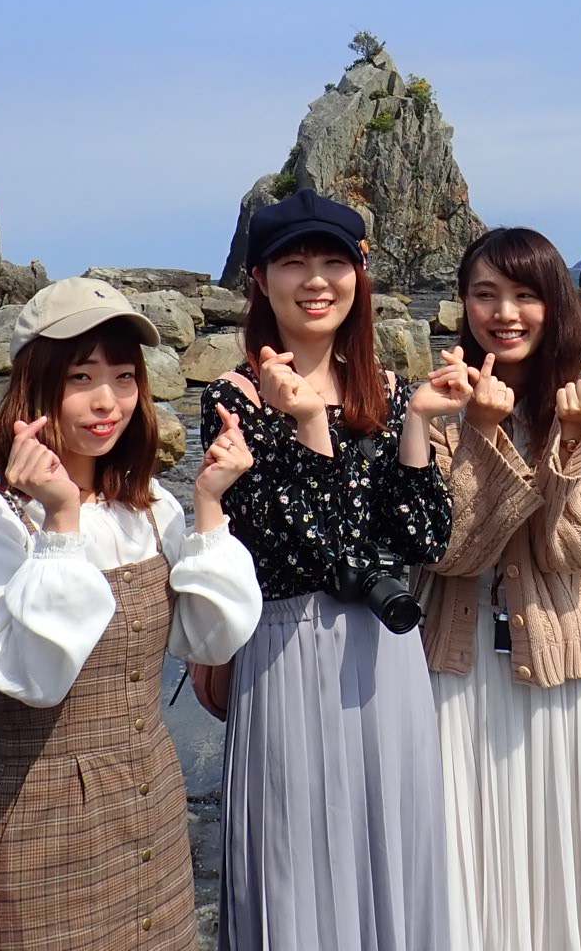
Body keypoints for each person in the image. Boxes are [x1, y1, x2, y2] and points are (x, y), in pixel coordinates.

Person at [0, 277, 263, 951]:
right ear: (34, 385)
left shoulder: (148, 505)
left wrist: (208, 507)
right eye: (80, 377)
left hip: (151, 804)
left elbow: (210, 640)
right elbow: (34, 679)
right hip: (37, 818)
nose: (107, 400)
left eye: (124, 376)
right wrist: (60, 521)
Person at [192, 188, 454, 951]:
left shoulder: (389, 390)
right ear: (260, 279)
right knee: (296, 855)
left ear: (359, 273)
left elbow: (424, 537)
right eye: (293, 263)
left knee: (391, 848)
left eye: (333, 262)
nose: (315, 281)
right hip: (288, 650)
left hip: (388, 652)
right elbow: (314, 548)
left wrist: (418, 425)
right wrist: (308, 420)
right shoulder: (235, 399)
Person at [413, 227, 581, 951]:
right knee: (463, 862)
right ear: (463, 304)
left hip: (566, 669)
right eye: (485, 294)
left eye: (524, 295)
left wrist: (568, 443)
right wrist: (479, 431)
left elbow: (573, 549)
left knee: (564, 872)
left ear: (555, 303)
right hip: (458, 671)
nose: (504, 313)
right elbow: (448, 554)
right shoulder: (442, 402)